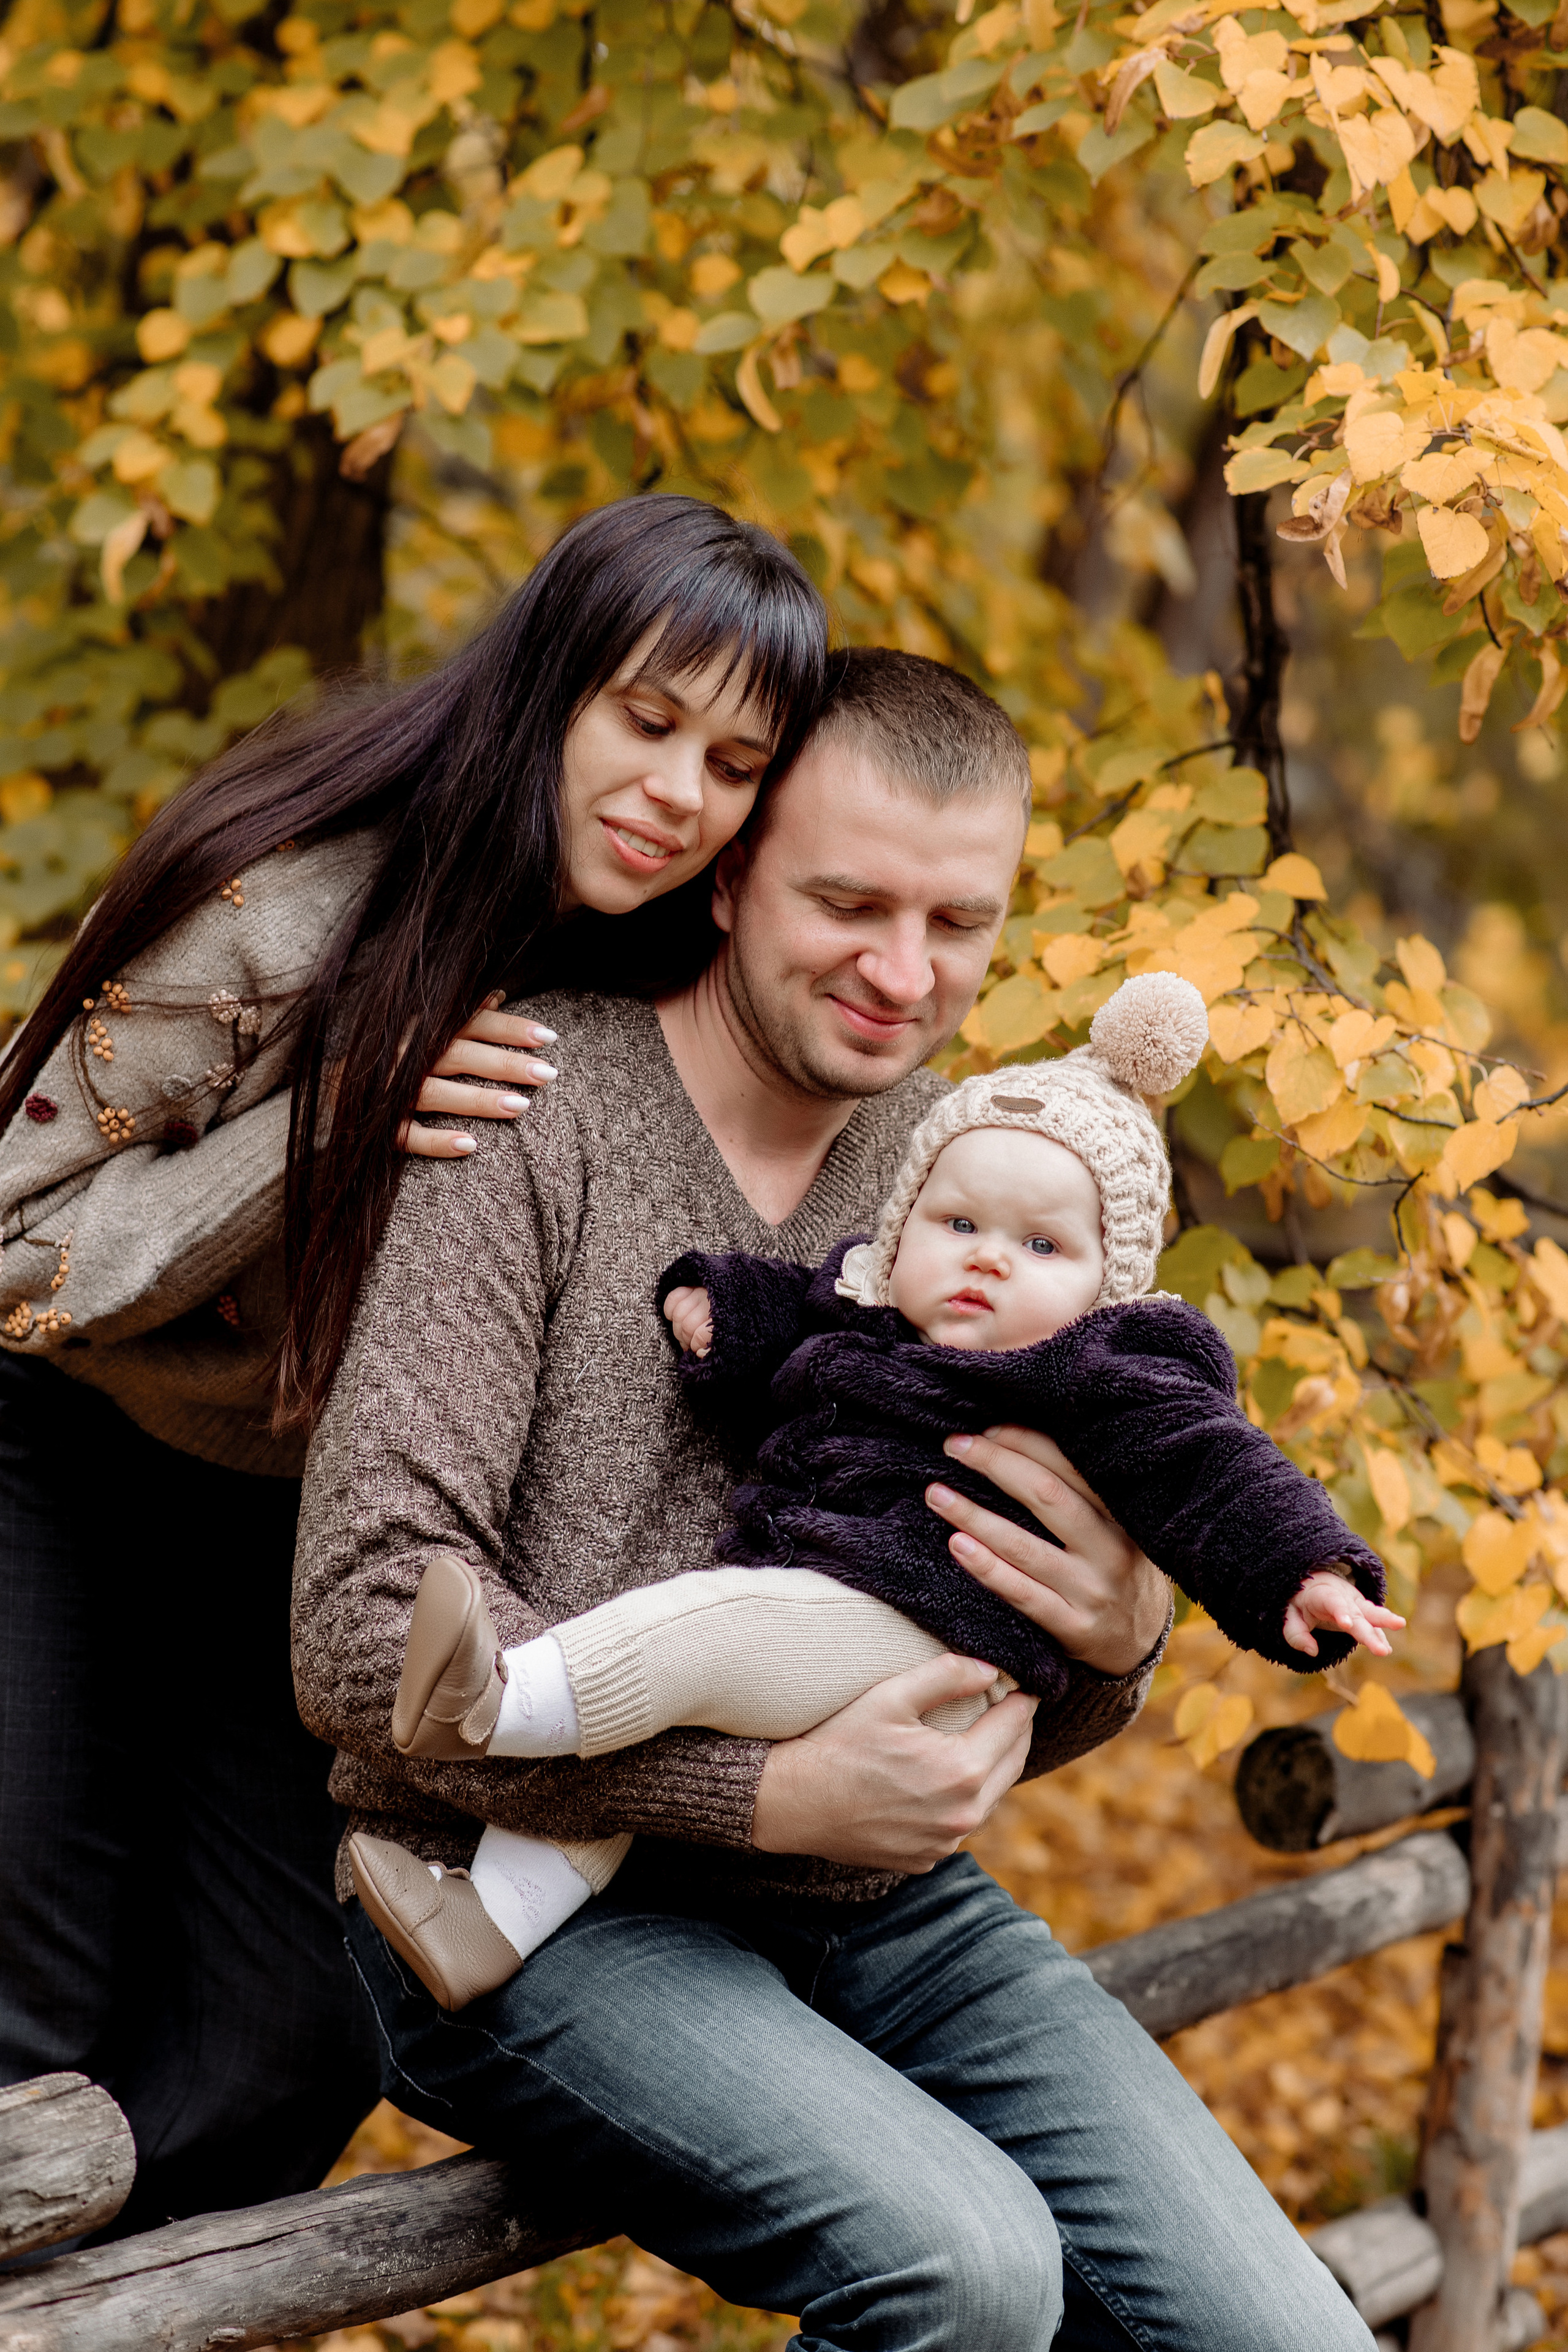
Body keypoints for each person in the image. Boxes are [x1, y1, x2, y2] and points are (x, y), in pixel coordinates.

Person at [293, 649, 1378, 2349]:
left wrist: (1117, 1639)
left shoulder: (986, 1171)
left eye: (961, 923)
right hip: (511, 1897)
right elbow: (365, 1637)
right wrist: (765, 1793)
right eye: (850, 904)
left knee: (1282, 2336)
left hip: (883, 1906)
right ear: (730, 874)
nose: (903, 973)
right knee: (967, 2269)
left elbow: (1011, 1642)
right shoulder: (525, 1112)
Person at [0, 493, 826, 2233]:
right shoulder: (290, 895)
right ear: (549, 685)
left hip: (288, 1535)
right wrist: (335, 1129)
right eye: (648, 719)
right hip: (54, 1447)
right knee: (31, 2019)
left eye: (737, 764)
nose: (680, 791)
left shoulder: (662, 987)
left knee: (286, 2050)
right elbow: (10, 1233)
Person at [349, 969, 1403, 2010]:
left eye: (1041, 1245)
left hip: (921, 1629)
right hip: (838, 1610)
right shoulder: (881, 1314)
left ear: (1108, 1280)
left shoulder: (1103, 1371)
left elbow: (1213, 1464)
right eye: (957, 1226)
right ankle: (484, 1923)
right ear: (905, 1229)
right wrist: (721, 1307)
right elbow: (801, 1316)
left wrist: (1304, 1567)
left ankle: (502, 1699)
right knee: (651, 1745)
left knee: (701, 1630)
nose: (987, 1261)